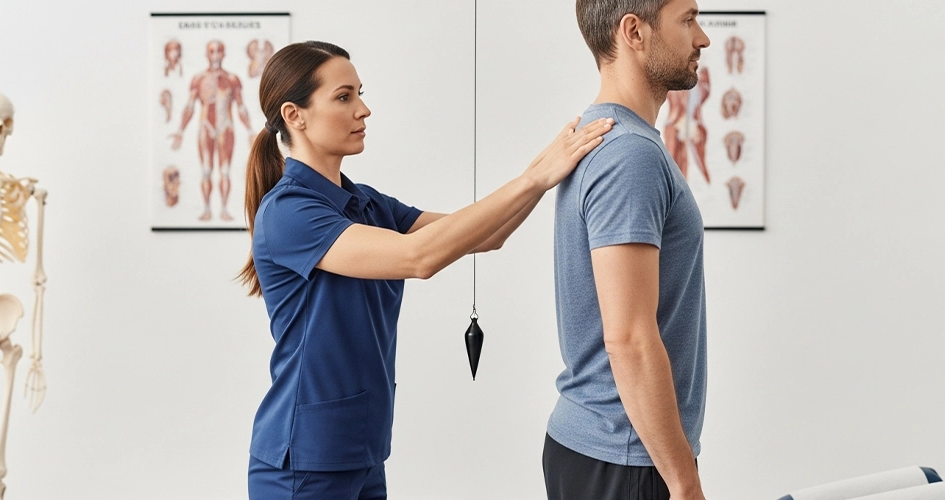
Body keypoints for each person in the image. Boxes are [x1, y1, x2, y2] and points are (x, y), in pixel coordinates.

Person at [237, 41, 613, 500]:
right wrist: (534, 178)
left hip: (363, 452)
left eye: (360, 93)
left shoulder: (367, 203)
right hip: (304, 461)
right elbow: (419, 257)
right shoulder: (290, 212)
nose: (364, 109)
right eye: (344, 97)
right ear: (295, 114)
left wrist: (545, 167)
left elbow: (484, 236)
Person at [544, 1, 711, 499]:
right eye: (687, 20)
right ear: (634, 33)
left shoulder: (619, 141)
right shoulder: (629, 155)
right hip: (623, 455)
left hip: (612, 450)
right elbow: (630, 338)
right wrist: (684, 484)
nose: (702, 38)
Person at [170, 40, 252, 222]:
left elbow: (241, 107)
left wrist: (251, 130)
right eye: (212, 52)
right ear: (207, 54)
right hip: (205, 126)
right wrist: (180, 131)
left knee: (224, 171)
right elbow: (190, 106)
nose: (215, 56)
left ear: (224, 54)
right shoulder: (199, 79)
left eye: (219, 52)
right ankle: (207, 209)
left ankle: (223, 209)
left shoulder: (232, 79)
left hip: (226, 127)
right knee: (206, 170)